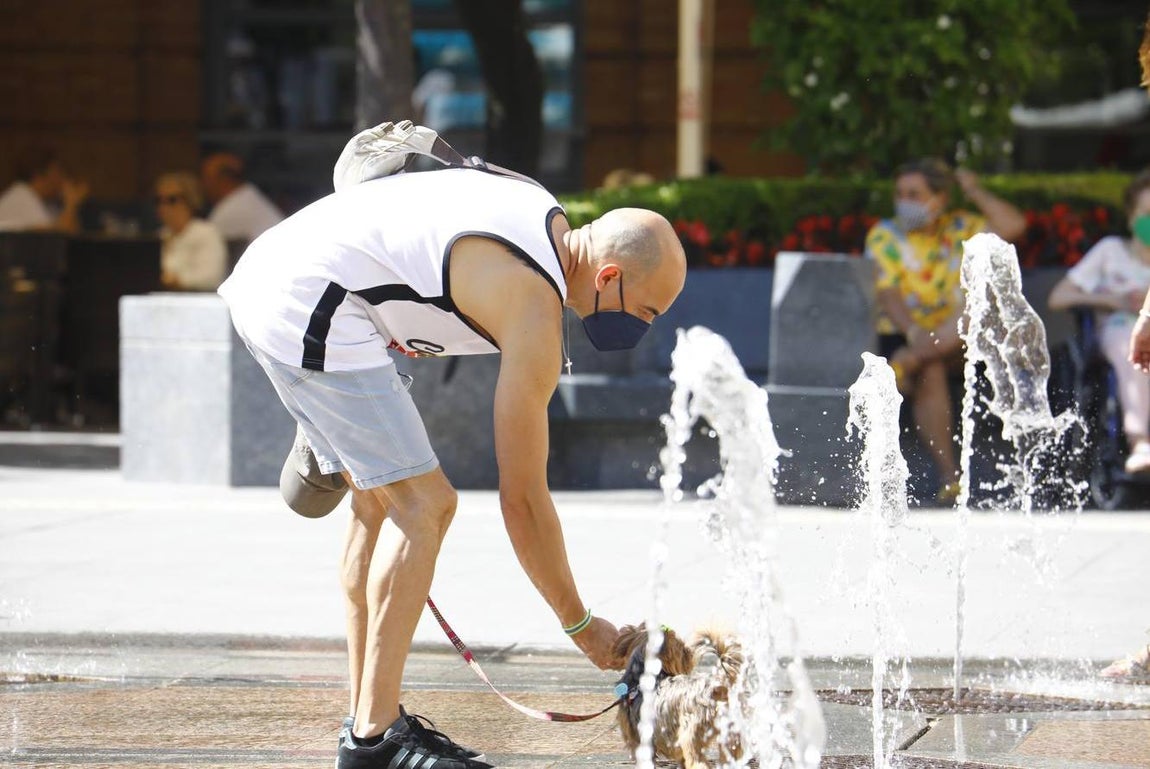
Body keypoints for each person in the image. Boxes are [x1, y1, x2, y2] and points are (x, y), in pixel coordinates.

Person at [218, 158, 686, 768]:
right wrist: (580, 625)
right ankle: (375, 740)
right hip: (312, 306)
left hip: (279, 276)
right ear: (611, 276)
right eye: (647, 312)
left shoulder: (537, 207)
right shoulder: (534, 305)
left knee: (378, 503)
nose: (644, 327)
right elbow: (523, 500)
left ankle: (366, 717)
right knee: (426, 505)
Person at [865, 158, 1026, 504]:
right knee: (932, 367)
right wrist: (914, 336)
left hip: (962, 336)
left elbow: (1013, 225)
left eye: (914, 194)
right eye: (900, 194)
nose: (904, 201)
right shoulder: (885, 234)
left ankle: (905, 363)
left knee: (974, 304)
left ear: (939, 198)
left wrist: (974, 190)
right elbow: (888, 294)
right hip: (907, 335)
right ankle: (950, 478)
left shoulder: (963, 227)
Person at [1049, 170, 1150, 473]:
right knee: (1132, 346)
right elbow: (1058, 297)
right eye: (1146, 213)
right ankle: (1140, 441)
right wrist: (1112, 300)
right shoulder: (1110, 251)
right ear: (1131, 217)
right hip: (1117, 333)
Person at [154, 172, 227, 292]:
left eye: (172, 200)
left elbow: (211, 277)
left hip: (196, 300)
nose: (163, 206)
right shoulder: (160, 235)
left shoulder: (206, 233)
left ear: (190, 200)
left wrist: (176, 281)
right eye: (158, 200)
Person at [199, 151, 283, 243]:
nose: (204, 186)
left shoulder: (230, 210)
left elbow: (208, 243)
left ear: (223, 180)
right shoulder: (246, 196)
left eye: (207, 179)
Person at [0, 147, 89, 233]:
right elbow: (58, 237)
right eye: (58, 173)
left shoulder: (47, 202)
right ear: (38, 175)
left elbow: (72, 233)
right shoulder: (21, 198)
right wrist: (71, 204)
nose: (62, 179)